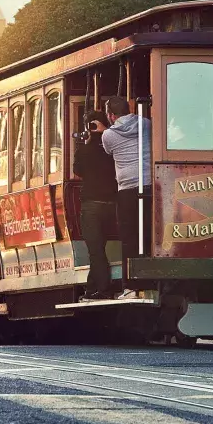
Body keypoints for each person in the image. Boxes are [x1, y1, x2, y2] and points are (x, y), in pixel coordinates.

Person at [102, 96, 152, 299]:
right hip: (150, 185)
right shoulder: (147, 124)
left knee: (129, 239)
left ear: (111, 115)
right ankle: (153, 282)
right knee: (149, 236)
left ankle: (130, 286)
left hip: (127, 190)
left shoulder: (108, 135)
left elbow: (107, 152)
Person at [72, 111, 117, 300]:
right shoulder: (113, 146)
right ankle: (92, 288)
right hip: (112, 204)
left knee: (95, 250)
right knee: (99, 249)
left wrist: (90, 140)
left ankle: (104, 289)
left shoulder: (85, 149)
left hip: (92, 205)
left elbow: (78, 170)